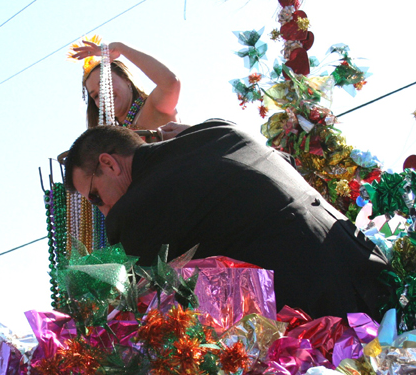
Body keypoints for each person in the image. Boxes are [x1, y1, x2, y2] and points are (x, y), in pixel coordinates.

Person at [63, 119, 392, 320]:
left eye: (94, 197)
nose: (102, 209)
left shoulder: (132, 211)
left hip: (316, 309)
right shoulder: (216, 129)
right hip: (363, 262)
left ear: (109, 163)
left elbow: (150, 307)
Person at [70, 40, 181, 130]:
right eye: (96, 96)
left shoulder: (155, 106)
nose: (103, 95)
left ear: (126, 78)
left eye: (105, 84)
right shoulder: (112, 139)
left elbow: (171, 83)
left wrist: (119, 47)